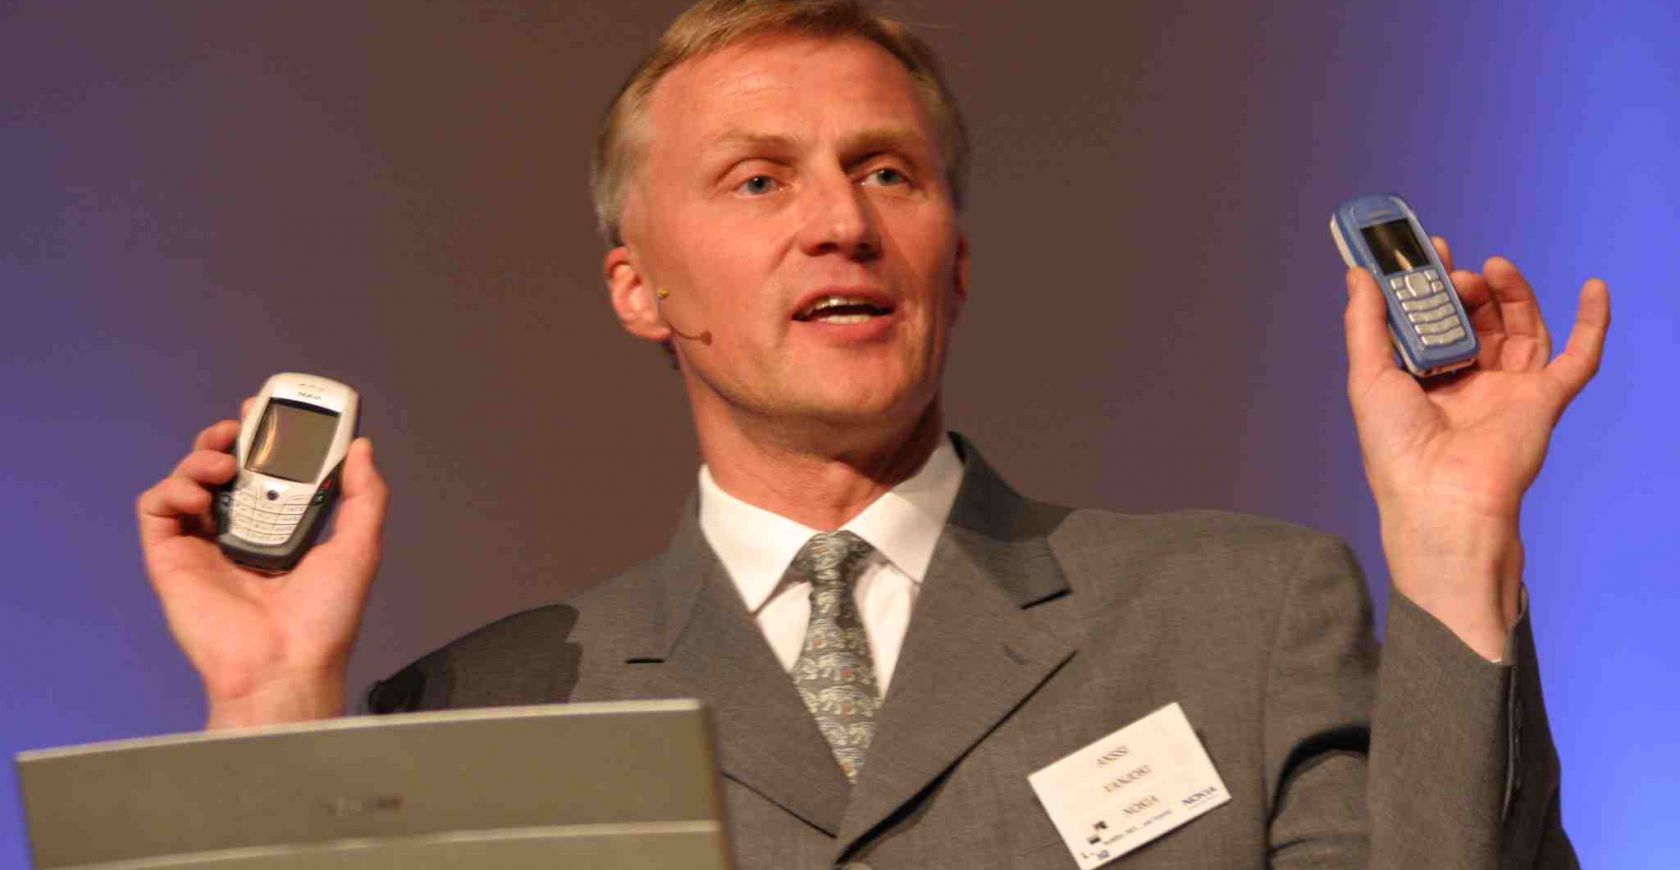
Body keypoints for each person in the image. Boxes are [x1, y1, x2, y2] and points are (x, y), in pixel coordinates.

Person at [136, 1, 1608, 866]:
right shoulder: (477, 711)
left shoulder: (1245, 612)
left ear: (954, 260)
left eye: (888, 170)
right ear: (639, 289)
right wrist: (272, 695)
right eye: (759, 180)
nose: (840, 220)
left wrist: (1454, 539)